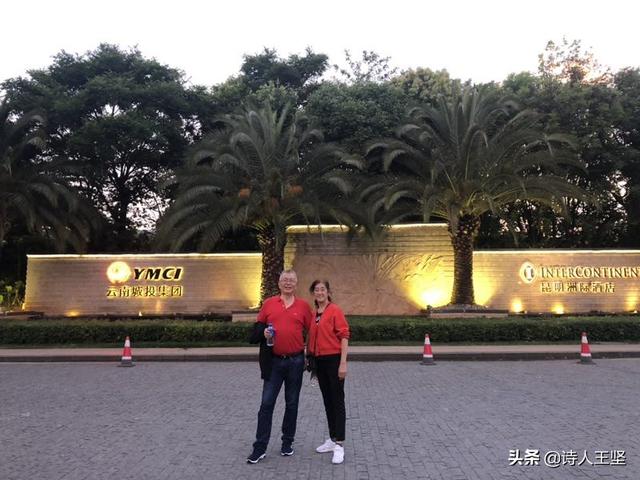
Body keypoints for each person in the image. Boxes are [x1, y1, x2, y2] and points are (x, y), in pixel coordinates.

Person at [247, 269, 312, 464]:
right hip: (273, 362)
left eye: (291, 280)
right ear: (279, 283)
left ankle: (287, 442)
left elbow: (312, 331)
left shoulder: (303, 306)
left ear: (296, 284)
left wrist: (309, 352)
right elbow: (257, 328)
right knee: (266, 404)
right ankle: (260, 447)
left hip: (296, 362)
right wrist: (263, 333)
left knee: (292, 403)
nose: (288, 283)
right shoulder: (269, 304)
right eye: (285, 280)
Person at [307, 279, 350, 465]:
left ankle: (340, 444)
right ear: (313, 293)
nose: (319, 292)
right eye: (316, 290)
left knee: (337, 402)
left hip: (334, 360)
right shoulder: (314, 313)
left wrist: (343, 363)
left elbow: (344, 336)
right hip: (319, 362)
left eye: (322, 289)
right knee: (327, 401)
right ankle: (332, 439)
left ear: (328, 292)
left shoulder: (335, 311)